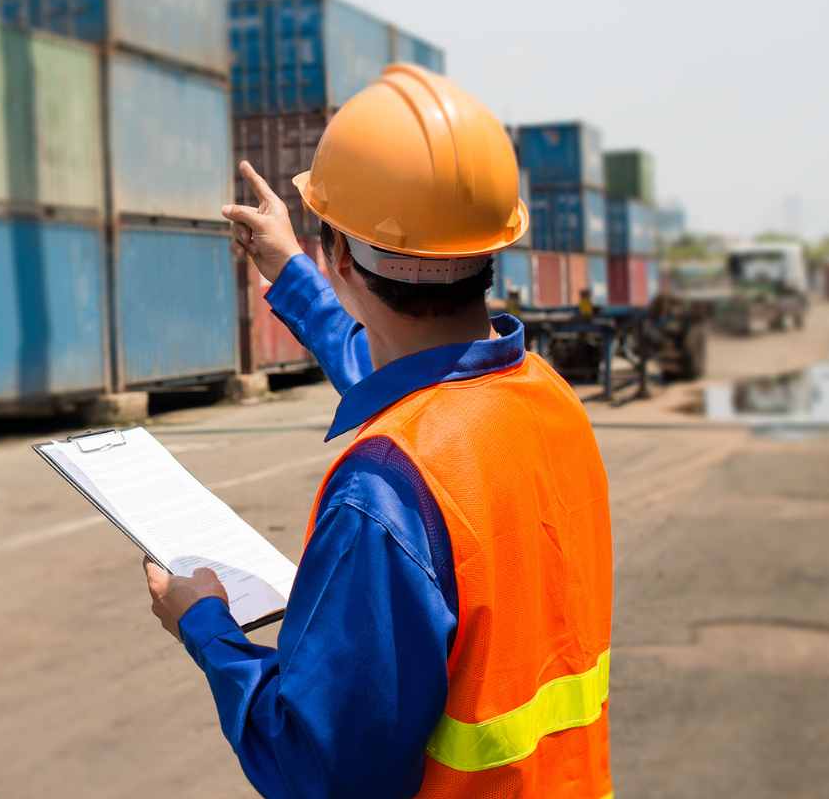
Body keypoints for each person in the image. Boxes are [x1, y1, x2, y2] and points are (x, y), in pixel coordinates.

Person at [142, 65, 614, 798]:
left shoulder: (386, 493)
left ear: (340, 256)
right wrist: (290, 267)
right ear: (491, 250)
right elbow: (404, 372)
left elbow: (319, 766)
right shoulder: (546, 400)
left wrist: (206, 627)